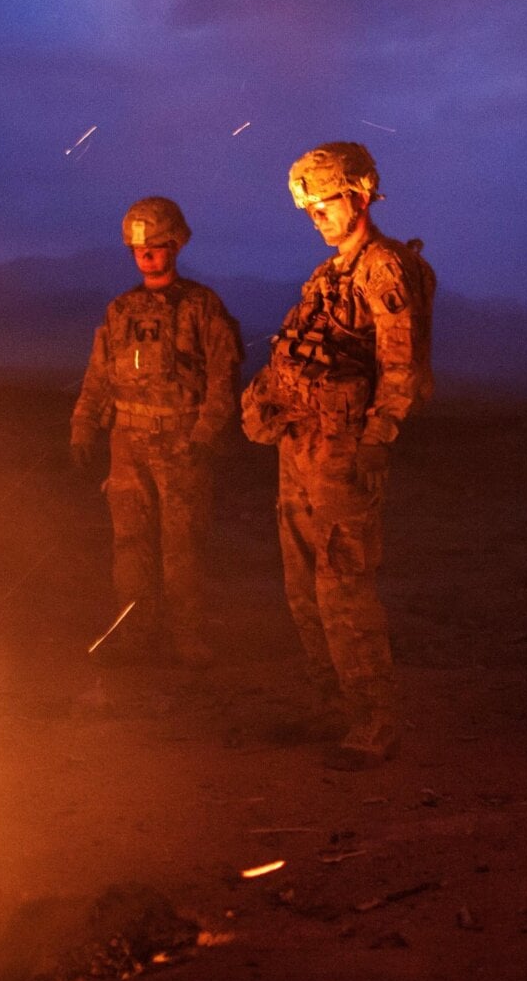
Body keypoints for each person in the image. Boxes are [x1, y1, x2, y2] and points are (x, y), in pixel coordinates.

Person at [241, 142, 435, 770]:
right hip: (301, 446)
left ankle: (375, 723)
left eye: (325, 203)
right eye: (310, 209)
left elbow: (403, 366)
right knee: (303, 588)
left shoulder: (385, 269)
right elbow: (297, 349)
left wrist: (379, 437)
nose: (317, 217)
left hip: (345, 453)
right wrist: (263, 402)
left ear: (358, 195)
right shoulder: (326, 277)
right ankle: (333, 707)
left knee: (343, 585)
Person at [71, 196, 243, 667]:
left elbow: (222, 379)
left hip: (181, 443)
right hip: (126, 444)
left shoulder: (202, 307)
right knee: (130, 546)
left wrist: (205, 436)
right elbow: (99, 374)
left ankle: (187, 638)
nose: (147, 254)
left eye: (158, 245)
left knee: (182, 546)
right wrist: (83, 426)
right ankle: (136, 636)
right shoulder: (120, 310)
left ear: (176, 245)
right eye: (139, 248)